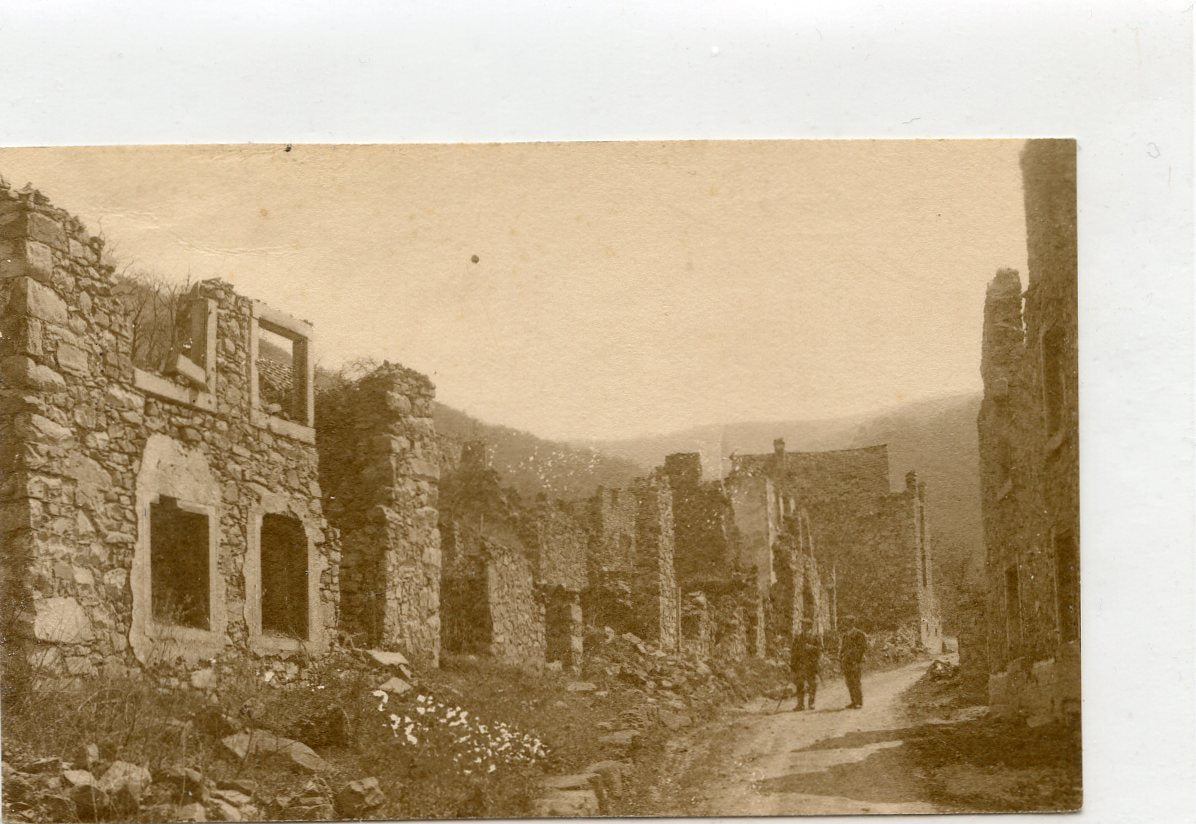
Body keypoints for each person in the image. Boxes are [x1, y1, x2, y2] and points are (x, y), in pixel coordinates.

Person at [789, 618, 821, 711]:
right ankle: (800, 704)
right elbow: (793, 652)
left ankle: (811, 703)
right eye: (802, 625)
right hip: (800, 665)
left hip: (811, 665)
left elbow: (820, 650)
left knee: (812, 684)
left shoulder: (815, 637)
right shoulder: (798, 637)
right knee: (800, 684)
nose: (803, 627)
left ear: (809, 626)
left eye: (805, 625)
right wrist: (793, 664)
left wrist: (811, 647)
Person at [839, 615, 868, 709]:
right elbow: (843, 648)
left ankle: (859, 702)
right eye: (845, 622)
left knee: (856, 681)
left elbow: (862, 647)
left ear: (852, 623)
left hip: (855, 661)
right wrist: (841, 656)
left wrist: (856, 658)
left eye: (848, 622)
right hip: (846, 661)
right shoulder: (845, 635)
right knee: (849, 681)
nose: (845, 624)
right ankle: (853, 701)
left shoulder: (859, 634)